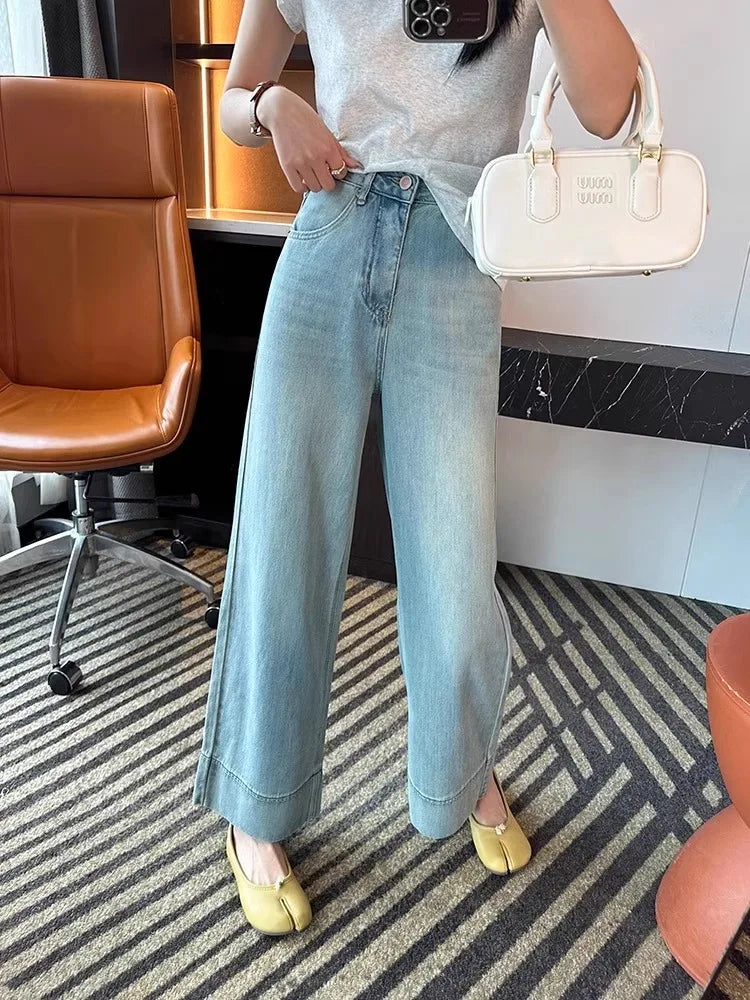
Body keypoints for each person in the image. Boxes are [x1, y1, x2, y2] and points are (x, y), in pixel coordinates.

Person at [192, 0, 638, 935]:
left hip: (454, 254)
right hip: (328, 232)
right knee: (282, 537)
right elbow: (235, 97)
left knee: (453, 555)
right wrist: (274, 106)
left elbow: (610, 108)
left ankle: (461, 772)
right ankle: (255, 806)